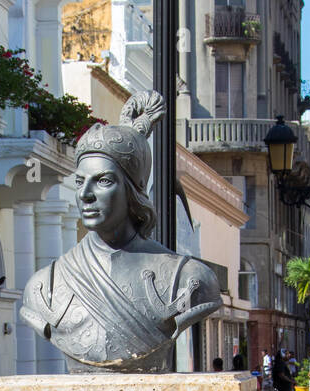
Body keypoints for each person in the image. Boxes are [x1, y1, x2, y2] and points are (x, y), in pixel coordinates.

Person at [19, 92, 220, 372]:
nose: (85, 195)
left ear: (133, 190)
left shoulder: (187, 279)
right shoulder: (45, 287)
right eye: (79, 182)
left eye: (103, 181)